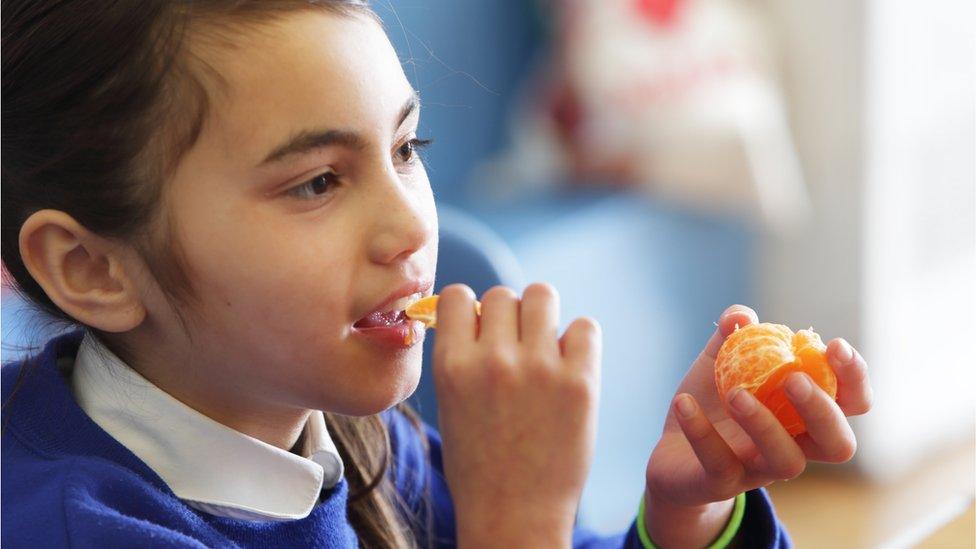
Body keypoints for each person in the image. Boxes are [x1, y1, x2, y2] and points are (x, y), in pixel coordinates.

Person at [0, 1, 873, 547]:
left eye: (406, 147)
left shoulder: (359, 435)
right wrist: (516, 523)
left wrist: (684, 513)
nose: (413, 224)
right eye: (316, 181)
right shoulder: (72, 528)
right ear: (91, 268)